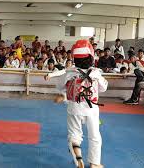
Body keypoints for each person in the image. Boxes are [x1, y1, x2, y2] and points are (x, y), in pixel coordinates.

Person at [44, 39, 107, 168]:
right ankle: (95, 163)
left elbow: (60, 86)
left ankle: (78, 158)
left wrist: (64, 91)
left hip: (74, 108)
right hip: (91, 108)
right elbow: (103, 88)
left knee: (74, 135)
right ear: (91, 56)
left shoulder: (70, 72)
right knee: (94, 135)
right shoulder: (96, 73)